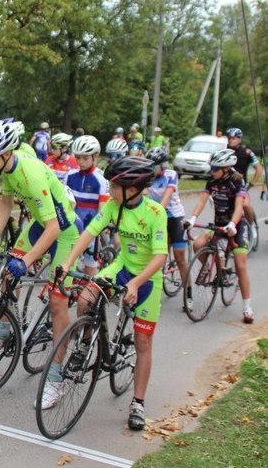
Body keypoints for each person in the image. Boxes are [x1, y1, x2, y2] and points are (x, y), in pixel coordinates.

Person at [0, 118, 81, 409]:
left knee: (58, 304)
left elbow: (54, 229)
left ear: (7, 152)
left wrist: (28, 261)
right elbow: (5, 205)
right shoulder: (7, 168)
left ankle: (56, 379)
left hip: (64, 232)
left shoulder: (30, 173)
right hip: (39, 225)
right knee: (7, 275)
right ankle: (7, 330)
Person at [59, 156, 166, 431]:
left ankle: (138, 403)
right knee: (85, 297)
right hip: (121, 266)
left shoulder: (155, 213)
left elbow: (159, 257)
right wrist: (68, 263)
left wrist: (135, 284)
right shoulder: (112, 206)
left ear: (133, 188)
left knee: (143, 341)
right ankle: (85, 342)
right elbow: (90, 233)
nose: (110, 190)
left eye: (114, 186)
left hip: (147, 278)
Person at [185, 148, 254, 324]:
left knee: (240, 265)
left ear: (226, 168)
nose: (212, 171)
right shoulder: (212, 180)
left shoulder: (237, 181)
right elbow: (201, 200)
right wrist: (192, 219)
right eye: (212, 167)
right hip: (218, 224)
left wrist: (232, 224)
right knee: (198, 244)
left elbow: (239, 206)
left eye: (215, 168)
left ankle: (247, 307)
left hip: (235, 225)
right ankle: (213, 268)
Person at [145, 147, 188, 287]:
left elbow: (167, 196)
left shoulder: (171, 175)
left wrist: (156, 213)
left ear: (163, 166)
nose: (151, 168)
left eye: (154, 166)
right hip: (157, 216)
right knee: (155, 256)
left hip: (174, 217)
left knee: (180, 256)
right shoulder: (147, 176)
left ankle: (189, 292)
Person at [66, 135, 109, 275]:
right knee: (68, 264)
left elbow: (102, 210)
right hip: (73, 227)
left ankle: (90, 294)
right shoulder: (69, 176)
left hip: (91, 230)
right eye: (78, 157)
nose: (81, 162)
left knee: (90, 267)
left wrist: (95, 230)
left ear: (95, 157)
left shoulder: (101, 179)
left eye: (85, 158)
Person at [225, 127, 263, 244]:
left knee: (245, 205)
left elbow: (258, 168)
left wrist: (252, 183)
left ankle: (250, 226)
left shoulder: (246, 152)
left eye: (234, 138)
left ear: (239, 139)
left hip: (241, 185)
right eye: (229, 138)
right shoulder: (225, 151)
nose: (231, 140)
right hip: (227, 185)